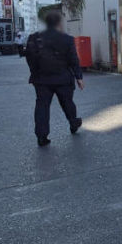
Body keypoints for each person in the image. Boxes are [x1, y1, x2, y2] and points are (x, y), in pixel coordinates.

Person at [24, 11, 84, 147]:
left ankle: (41, 136)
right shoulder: (67, 39)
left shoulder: (34, 38)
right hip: (63, 78)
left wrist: (35, 73)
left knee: (42, 106)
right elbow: (73, 59)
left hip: (41, 79)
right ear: (59, 23)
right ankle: (73, 123)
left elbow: (29, 57)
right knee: (67, 102)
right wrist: (78, 77)